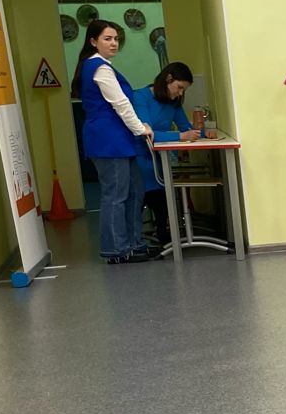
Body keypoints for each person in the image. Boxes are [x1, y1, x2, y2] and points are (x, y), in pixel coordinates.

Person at [73, 20, 156, 263]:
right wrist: (140, 128)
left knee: (135, 191)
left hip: (119, 138)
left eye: (116, 39)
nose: (114, 43)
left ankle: (134, 243)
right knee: (116, 195)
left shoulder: (101, 66)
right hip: (108, 140)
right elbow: (120, 103)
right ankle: (116, 250)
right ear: (93, 41)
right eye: (107, 39)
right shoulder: (99, 67)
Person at [130, 62, 199, 248]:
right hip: (140, 155)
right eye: (179, 87)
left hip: (161, 158)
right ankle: (136, 241)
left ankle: (164, 234)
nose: (180, 93)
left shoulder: (173, 103)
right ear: (168, 79)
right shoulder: (141, 97)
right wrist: (180, 136)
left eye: (184, 90)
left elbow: (186, 128)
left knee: (162, 194)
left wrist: (203, 133)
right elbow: (147, 134)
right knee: (149, 194)